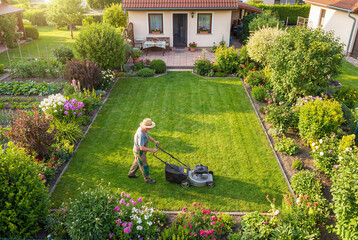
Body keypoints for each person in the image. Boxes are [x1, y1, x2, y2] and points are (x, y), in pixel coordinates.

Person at [128, 118, 159, 184]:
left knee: (137, 162)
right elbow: (141, 148)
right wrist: (152, 150)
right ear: (146, 127)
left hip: (139, 151)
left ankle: (131, 174)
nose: (150, 128)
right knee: (144, 165)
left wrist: (154, 141)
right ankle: (148, 179)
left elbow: (147, 136)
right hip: (139, 151)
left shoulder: (143, 129)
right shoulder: (141, 134)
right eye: (149, 127)